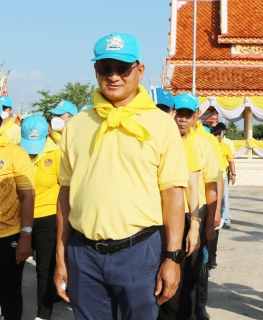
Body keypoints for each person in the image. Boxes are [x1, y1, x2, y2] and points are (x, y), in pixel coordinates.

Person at [53, 32, 189, 320]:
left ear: (139, 71)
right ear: (96, 71)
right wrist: (61, 255)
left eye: (123, 68)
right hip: (83, 251)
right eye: (105, 68)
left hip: (139, 251)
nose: (113, 76)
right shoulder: (77, 126)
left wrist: (172, 257)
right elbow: (65, 194)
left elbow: (173, 194)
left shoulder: (161, 126)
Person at [159, 93, 221, 320]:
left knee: (193, 272)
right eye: (179, 114)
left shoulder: (205, 144)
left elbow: (211, 184)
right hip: (163, 215)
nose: (182, 120)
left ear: (196, 116)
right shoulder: (162, 141)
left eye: (188, 115)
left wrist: (208, 223)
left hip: (193, 213)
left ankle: (196, 309)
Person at [0, 94, 35, 320]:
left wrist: (25, 237)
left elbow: (27, 198)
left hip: (7, 238)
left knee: (9, 294)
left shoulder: (14, 153)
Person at [20, 115, 60, 320]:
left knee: (44, 270)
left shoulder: (57, 153)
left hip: (48, 218)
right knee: (13, 267)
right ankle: (12, 313)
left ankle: (43, 315)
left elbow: (66, 189)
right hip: (19, 218)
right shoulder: (17, 152)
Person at [213, 123, 236, 228]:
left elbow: (231, 160)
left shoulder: (227, 145)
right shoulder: (209, 143)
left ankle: (226, 219)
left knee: (223, 197)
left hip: (222, 173)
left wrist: (233, 173)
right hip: (210, 172)